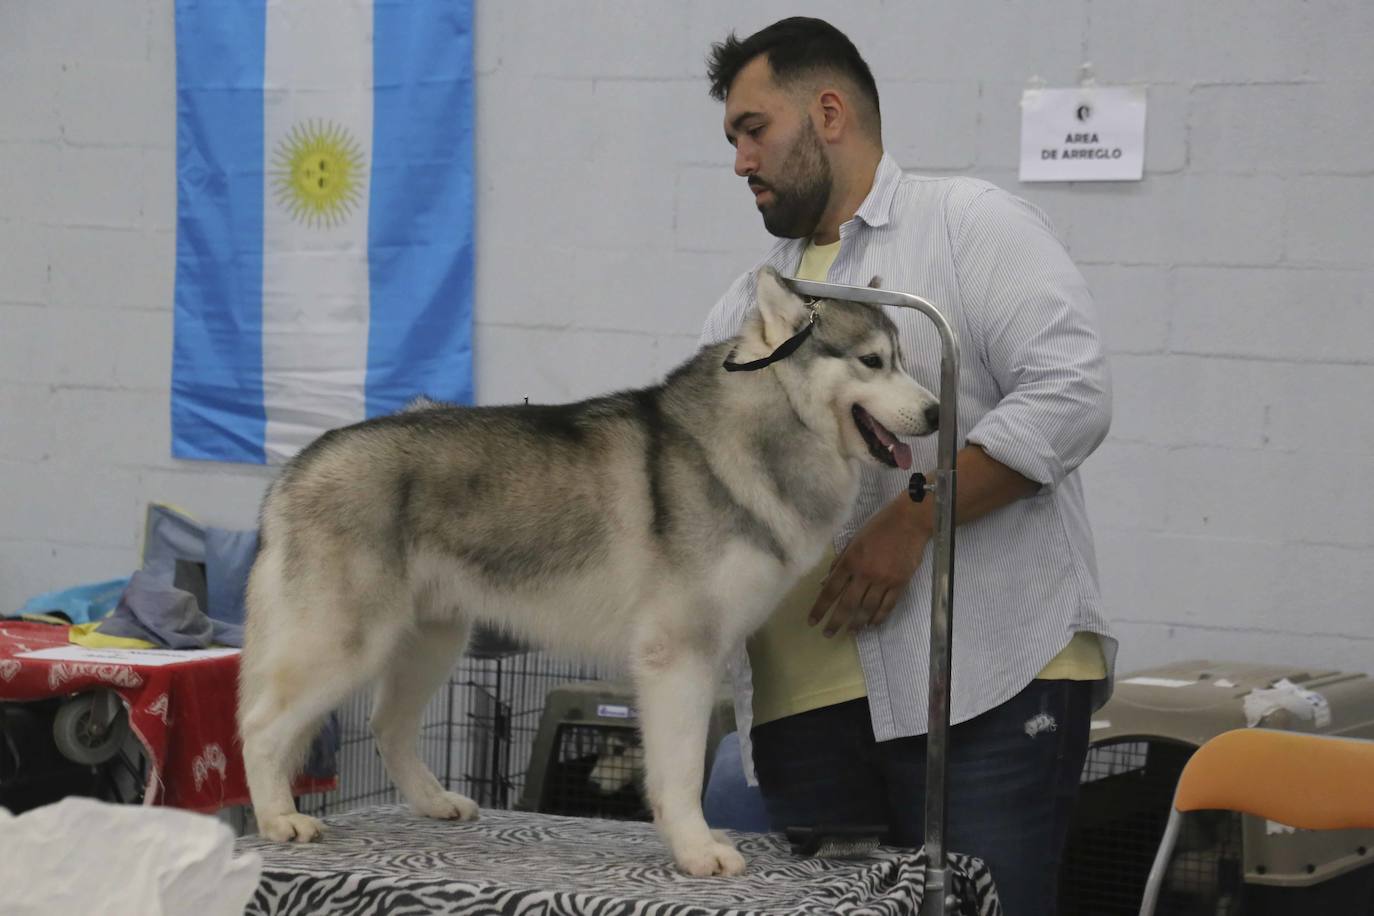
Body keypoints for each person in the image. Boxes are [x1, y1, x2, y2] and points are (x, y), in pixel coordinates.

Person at [699, 17, 1115, 915]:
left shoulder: (968, 225)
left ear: (830, 112)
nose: (740, 161)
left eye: (753, 129)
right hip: (800, 713)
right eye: (733, 139)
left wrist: (915, 514)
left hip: (985, 687)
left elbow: (1072, 391)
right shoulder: (746, 302)